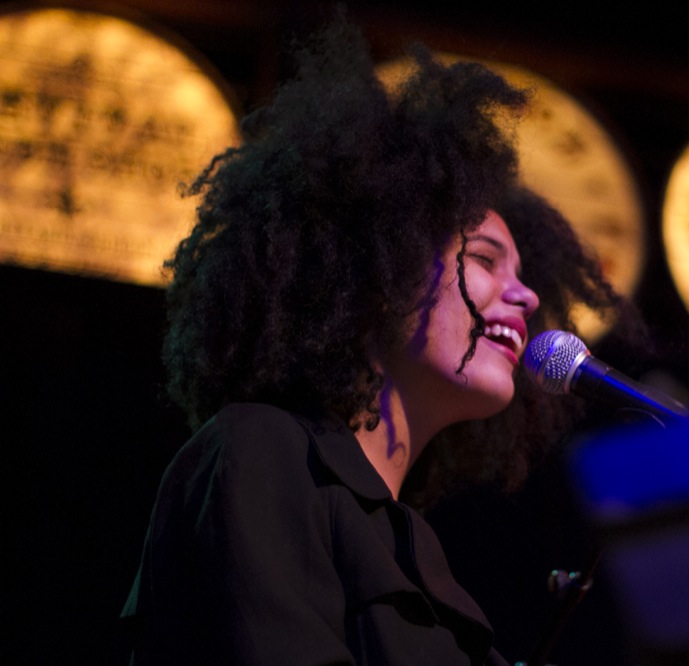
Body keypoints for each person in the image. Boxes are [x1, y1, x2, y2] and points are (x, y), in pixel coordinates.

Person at [121, 16, 641, 665]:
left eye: (524, 274)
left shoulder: (418, 552)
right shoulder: (260, 450)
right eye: (484, 259)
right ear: (381, 269)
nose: (529, 298)